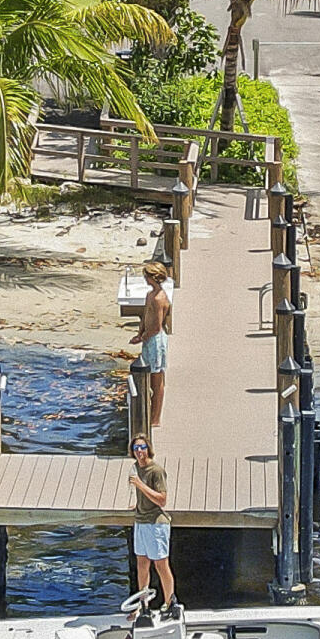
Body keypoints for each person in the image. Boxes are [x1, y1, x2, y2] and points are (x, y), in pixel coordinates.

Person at [127, 436, 175, 610]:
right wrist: (138, 504)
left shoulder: (156, 471)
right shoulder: (135, 468)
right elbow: (143, 496)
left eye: (142, 447)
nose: (139, 451)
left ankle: (169, 602)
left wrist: (140, 485)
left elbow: (162, 500)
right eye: (136, 448)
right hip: (141, 521)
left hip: (156, 523)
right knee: (142, 563)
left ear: (148, 449)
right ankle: (143, 603)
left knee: (161, 564)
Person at [133, 259, 173, 430]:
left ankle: (155, 417)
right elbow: (145, 315)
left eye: (146, 276)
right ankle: (150, 411)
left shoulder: (160, 298)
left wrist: (144, 337)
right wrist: (140, 333)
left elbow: (156, 326)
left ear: (153, 277)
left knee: (157, 380)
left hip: (155, 341)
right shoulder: (150, 295)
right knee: (148, 378)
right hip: (148, 338)